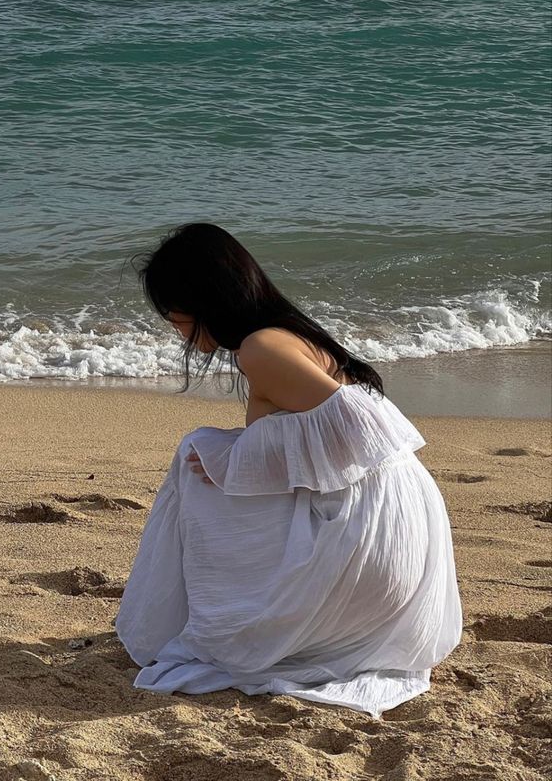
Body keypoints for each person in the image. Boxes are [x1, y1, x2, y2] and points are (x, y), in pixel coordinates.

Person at [115, 222, 463, 719]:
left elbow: (362, 432)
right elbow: (331, 437)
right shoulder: (283, 337)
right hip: (393, 529)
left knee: (198, 455)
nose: (170, 321)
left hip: (374, 538)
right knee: (207, 452)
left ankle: (208, 624)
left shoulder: (263, 348)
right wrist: (234, 461)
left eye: (171, 308)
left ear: (199, 297)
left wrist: (232, 465)